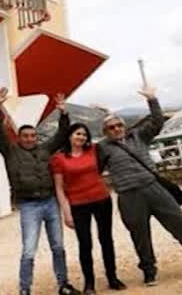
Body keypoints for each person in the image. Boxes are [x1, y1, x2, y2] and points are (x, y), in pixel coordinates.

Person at [97, 85, 182, 286]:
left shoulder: (138, 136)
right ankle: (149, 270)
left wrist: (152, 99)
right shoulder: (102, 148)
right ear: (105, 132)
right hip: (129, 196)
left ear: (124, 126)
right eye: (111, 127)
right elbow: (91, 167)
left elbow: (156, 121)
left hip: (153, 187)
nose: (116, 129)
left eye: (118, 125)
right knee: (140, 235)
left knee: (180, 223)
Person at [0, 87, 80, 295]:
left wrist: (63, 113)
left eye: (33, 135)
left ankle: (63, 284)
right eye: (26, 136)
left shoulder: (45, 149)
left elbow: (61, 135)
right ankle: (25, 289)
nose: (30, 139)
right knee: (29, 251)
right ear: (19, 137)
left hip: (50, 203)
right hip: (28, 205)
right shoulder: (10, 151)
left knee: (58, 247)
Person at [51, 123, 127, 294]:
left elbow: (113, 135)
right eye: (78, 134)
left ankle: (112, 278)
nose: (81, 137)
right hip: (78, 205)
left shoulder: (94, 149)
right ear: (70, 135)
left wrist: (107, 114)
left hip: (102, 199)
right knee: (85, 244)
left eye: (84, 135)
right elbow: (59, 188)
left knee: (106, 239)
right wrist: (66, 212)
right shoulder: (59, 158)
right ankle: (89, 284)